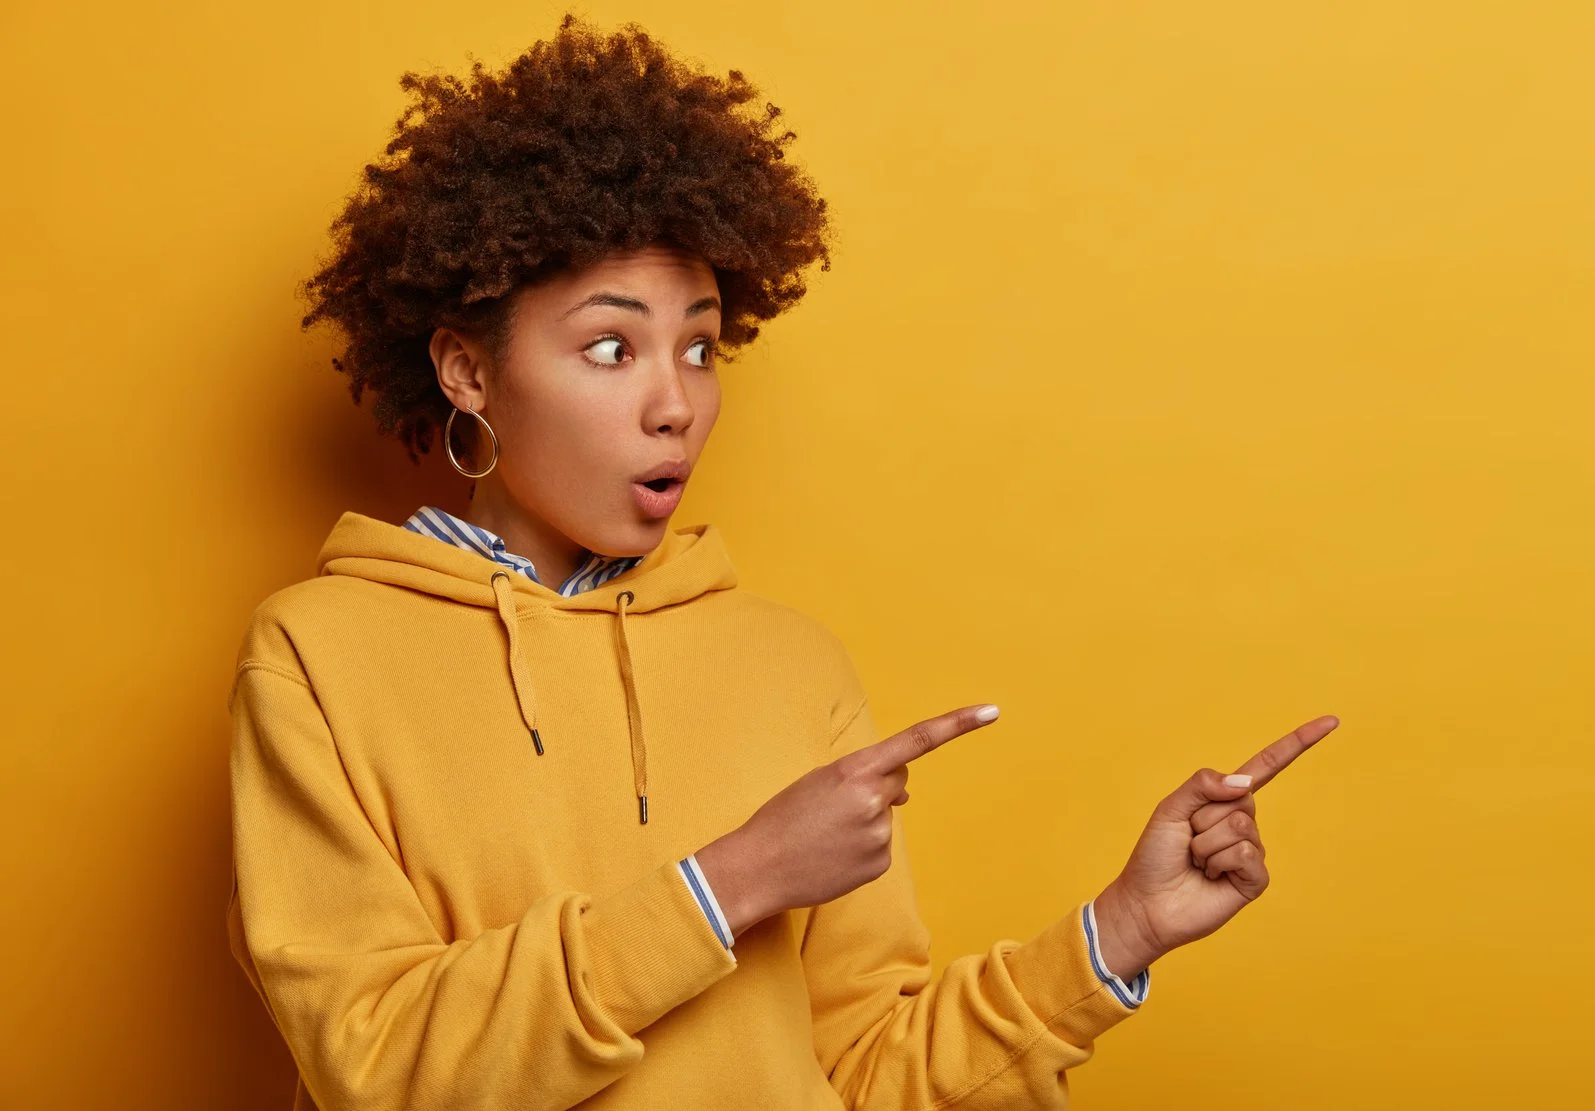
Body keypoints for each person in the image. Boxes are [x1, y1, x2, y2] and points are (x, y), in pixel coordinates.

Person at [224, 17, 1338, 1110]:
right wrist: (733, 880)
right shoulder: (320, 656)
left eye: (700, 347)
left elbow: (863, 1071)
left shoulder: (790, 667)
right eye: (611, 348)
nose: (676, 406)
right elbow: (375, 1066)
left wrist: (1122, 931)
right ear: (468, 369)